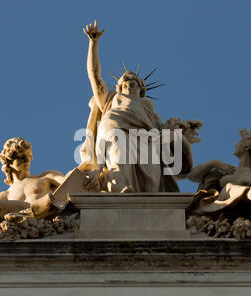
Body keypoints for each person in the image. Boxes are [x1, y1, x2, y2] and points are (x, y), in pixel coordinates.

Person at [79, 21, 192, 192]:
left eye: (133, 82)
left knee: (152, 181)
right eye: (125, 83)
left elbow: (164, 132)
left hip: (147, 139)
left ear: (141, 88)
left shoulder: (148, 108)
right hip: (116, 132)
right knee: (118, 159)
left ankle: (154, 211)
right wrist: (93, 43)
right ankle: (121, 189)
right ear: (119, 87)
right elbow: (94, 75)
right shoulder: (110, 98)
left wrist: (179, 139)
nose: (128, 84)